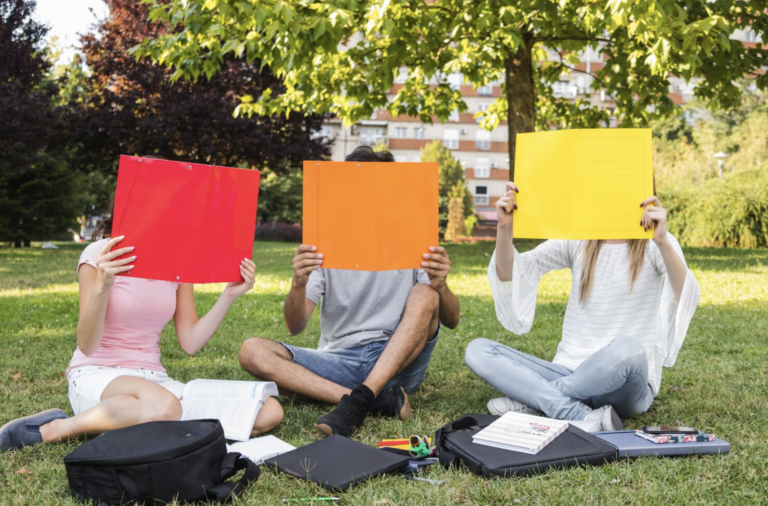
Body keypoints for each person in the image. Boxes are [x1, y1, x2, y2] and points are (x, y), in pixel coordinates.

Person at [1, 220, 283, 451]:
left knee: (269, 411)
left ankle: (149, 421)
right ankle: (57, 428)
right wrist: (103, 284)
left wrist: (229, 295)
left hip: (155, 381)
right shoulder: (99, 254)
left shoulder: (176, 263)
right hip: (98, 373)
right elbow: (87, 345)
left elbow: (191, 341)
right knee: (163, 406)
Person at [238, 146, 461, 437]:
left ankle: (358, 398)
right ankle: (372, 399)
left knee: (427, 294)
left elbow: (452, 320)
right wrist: (298, 283)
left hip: (397, 359)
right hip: (340, 360)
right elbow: (295, 327)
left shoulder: (412, 240)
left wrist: (441, 285)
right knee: (251, 351)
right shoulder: (324, 244)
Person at [464, 182, 700, 431]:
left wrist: (662, 242)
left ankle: (538, 399)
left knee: (628, 347)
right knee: (478, 350)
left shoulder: (654, 243)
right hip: (570, 371)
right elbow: (509, 273)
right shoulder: (578, 240)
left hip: (626, 384)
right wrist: (504, 227)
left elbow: (686, 294)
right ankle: (572, 410)